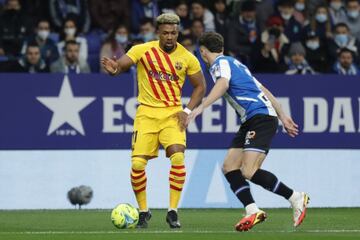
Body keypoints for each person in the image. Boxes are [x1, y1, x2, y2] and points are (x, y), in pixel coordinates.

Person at [188, 31, 309, 232]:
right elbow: (264, 90)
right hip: (254, 119)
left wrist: (201, 107)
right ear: (222, 48)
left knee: (248, 170)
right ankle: (252, 210)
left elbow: (223, 84)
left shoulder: (219, 65)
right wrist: (282, 115)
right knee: (229, 167)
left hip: (259, 118)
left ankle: (295, 197)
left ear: (202, 52)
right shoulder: (237, 64)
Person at [101, 13, 206, 229]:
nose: (169, 37)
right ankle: (143, 212)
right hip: (146, 114)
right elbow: (121, 65)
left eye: (174, 33)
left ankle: (173, 212)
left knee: (178, 157)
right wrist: (114, 69)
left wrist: (187, 110)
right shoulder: (142, 50)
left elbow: (200, 87)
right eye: (166, 33)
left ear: (178, 33)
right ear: (158, 32)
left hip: (172, 113)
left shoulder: (187, 57)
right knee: (137, 164)